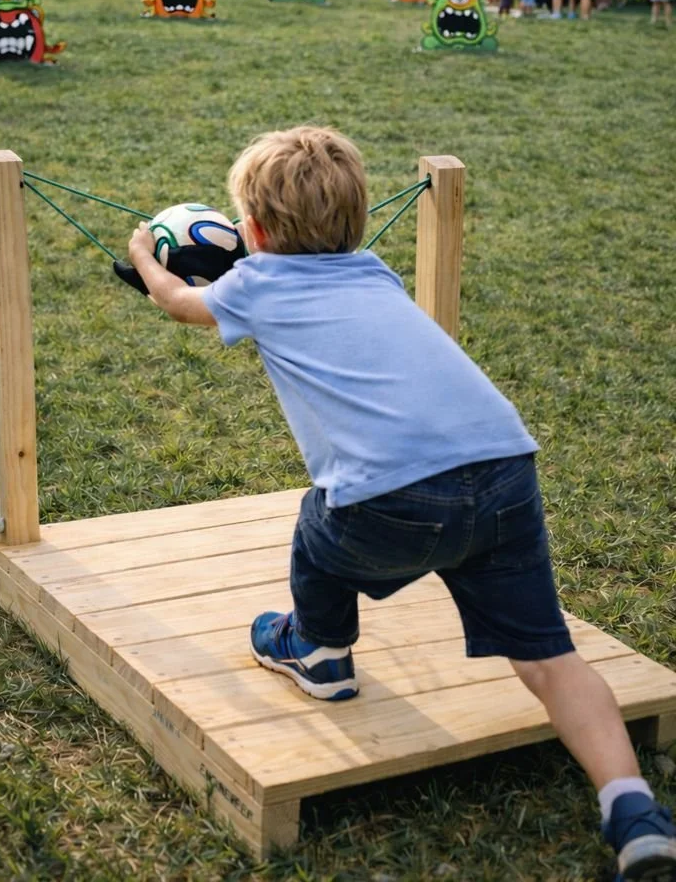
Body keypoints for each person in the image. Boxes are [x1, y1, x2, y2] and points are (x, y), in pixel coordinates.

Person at [125, 125, 676, 882]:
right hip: (507, 470)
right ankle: (633, 809)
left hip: (392, 504)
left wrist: (144, 259)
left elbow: (183, 303)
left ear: (250, 232)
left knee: (319, 522)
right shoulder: (374, 269)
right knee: (550, 659)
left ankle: (318, 648)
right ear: (354, 222)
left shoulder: (252, 285)